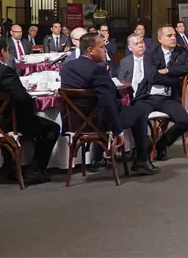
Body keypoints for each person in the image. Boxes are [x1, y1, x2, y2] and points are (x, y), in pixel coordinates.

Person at [0, 35, 60, 185]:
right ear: (2, 52)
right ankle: (34, 170)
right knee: (52, 129)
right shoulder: (5, 71)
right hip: (8, 123)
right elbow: (23, 99)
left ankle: (8, 167)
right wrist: (30, 118)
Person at [62, 32, 157, 175]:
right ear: (90, 50)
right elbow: (108, 103)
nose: (105, 50)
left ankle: (98, 158)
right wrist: (118, 131)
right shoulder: (97, 70)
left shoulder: (67, 67)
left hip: (75, 122)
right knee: (139, 112)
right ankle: (142, 160)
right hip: (99, 122)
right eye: (101, 47)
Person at [136, 26, 188, 161]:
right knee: (136, 117)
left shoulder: (181, 52)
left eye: (174, 35)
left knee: (185, 122)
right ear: (160, 39)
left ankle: (161, 144)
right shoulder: (151, 53)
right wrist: (175, 78)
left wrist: (168, 70)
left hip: (169, 98)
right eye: (169, 36)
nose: (173, 38)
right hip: (148, 96)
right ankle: (142, 151)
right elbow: (152, 77)